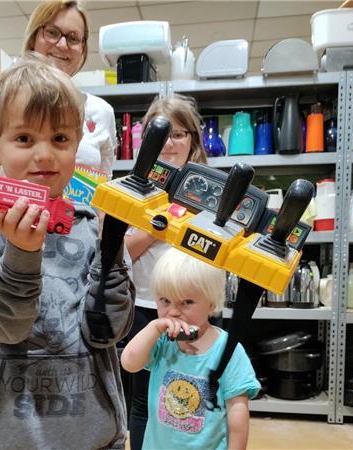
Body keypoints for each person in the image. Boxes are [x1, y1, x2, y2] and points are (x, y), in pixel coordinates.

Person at [0, 57, 134, 449]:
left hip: (97, 435)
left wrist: (112, 248)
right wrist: (20, 254)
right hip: (10, 436)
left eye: (60, 139)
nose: (45, 154)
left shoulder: (95, 227)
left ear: (77, 144)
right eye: (25, 139)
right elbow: (3, 328)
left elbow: (109, 331)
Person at [124, 94, 208, 449]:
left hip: (195, 307)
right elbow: (120, 252)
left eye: (178, 134)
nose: (170, 143)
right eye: (160, 134)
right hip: (143, 307)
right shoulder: (133, 187)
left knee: (192, 395)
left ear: (193, 140)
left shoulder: (209, 190)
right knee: (143, 400)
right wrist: (161, 224)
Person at [121, 249, 260, 450]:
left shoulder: (227, 350)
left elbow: (237, 411)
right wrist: (153, 328)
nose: (174, 311)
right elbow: (129, 363)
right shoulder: (161, 341)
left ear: (211, 303)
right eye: (165, 300)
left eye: (187, 302)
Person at [0, 0, 117, 178]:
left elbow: (104, 186)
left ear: (82, 48)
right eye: (52, 32)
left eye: (73, 38)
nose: (62, 44)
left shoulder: (102, 111)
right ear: (33, 37)